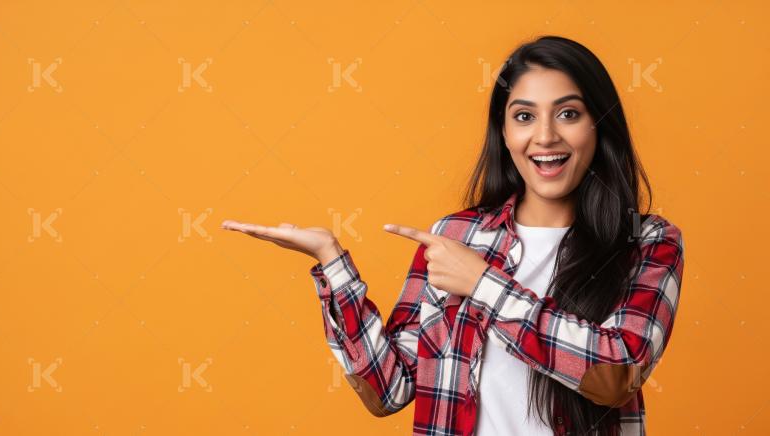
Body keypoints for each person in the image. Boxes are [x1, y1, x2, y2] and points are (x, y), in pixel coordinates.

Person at [221, 35, 685, 436]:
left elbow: (615, 374)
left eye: (568, 113)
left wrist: (482, 284)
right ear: (504, 132)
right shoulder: (455, 235)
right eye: (524, 117)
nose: (545, 136)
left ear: (599, 125)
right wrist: (332, 262)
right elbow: (390, 388)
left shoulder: (646, 242)